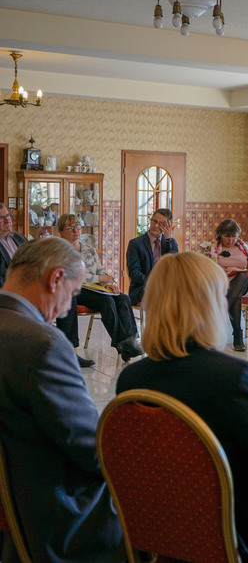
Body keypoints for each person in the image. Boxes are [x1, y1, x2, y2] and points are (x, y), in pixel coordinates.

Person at [116, 252, 248, 563]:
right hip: (241, 536)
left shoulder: (130, 381)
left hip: (164, 528)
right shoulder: (238, 378)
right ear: (211, 306)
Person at [0, 238, 124, 563]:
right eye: (73, 292)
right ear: (55, 279)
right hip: (56, 518)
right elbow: (92, 448)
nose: (69, 307)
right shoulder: (43, 344)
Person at [54, 214, 142, 362]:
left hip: (94, 288)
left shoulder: (88, 249)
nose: (76, 231)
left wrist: (108, 283)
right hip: (73, 290)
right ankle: (122, 343)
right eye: (71, 228)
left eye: (78, 227)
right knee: (106, 301)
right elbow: (73, 275)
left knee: (123, 298)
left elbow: (100, 270)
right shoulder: (59, 250)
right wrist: (100, 279)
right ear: (61, 232)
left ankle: (130, 341)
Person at [201, 219, 248, 352]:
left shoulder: (243, 248)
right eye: (227, 237)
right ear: (220, 235)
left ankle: (217, 315)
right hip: (221, 284)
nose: (231, 240)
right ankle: (237, 335)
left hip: (243, 282)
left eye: (234, 237)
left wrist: (236, 269)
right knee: (236, 296)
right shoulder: (211, 248)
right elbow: (205, 269)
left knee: (241, 278)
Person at [126, 207, 179, 305]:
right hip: (142, 289)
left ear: (167, 226)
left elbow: (175, 265)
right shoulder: (136, 244)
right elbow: (134, 273)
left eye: (161, 224)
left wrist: (169, 239)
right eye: (154, 221)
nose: (155, 225)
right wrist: (154, 283)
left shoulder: (169, 243)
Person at [0, 203, 27, 288]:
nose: (7, 220)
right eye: (1, 218)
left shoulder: (20, 237)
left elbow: (33, 260)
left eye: (8, 216)